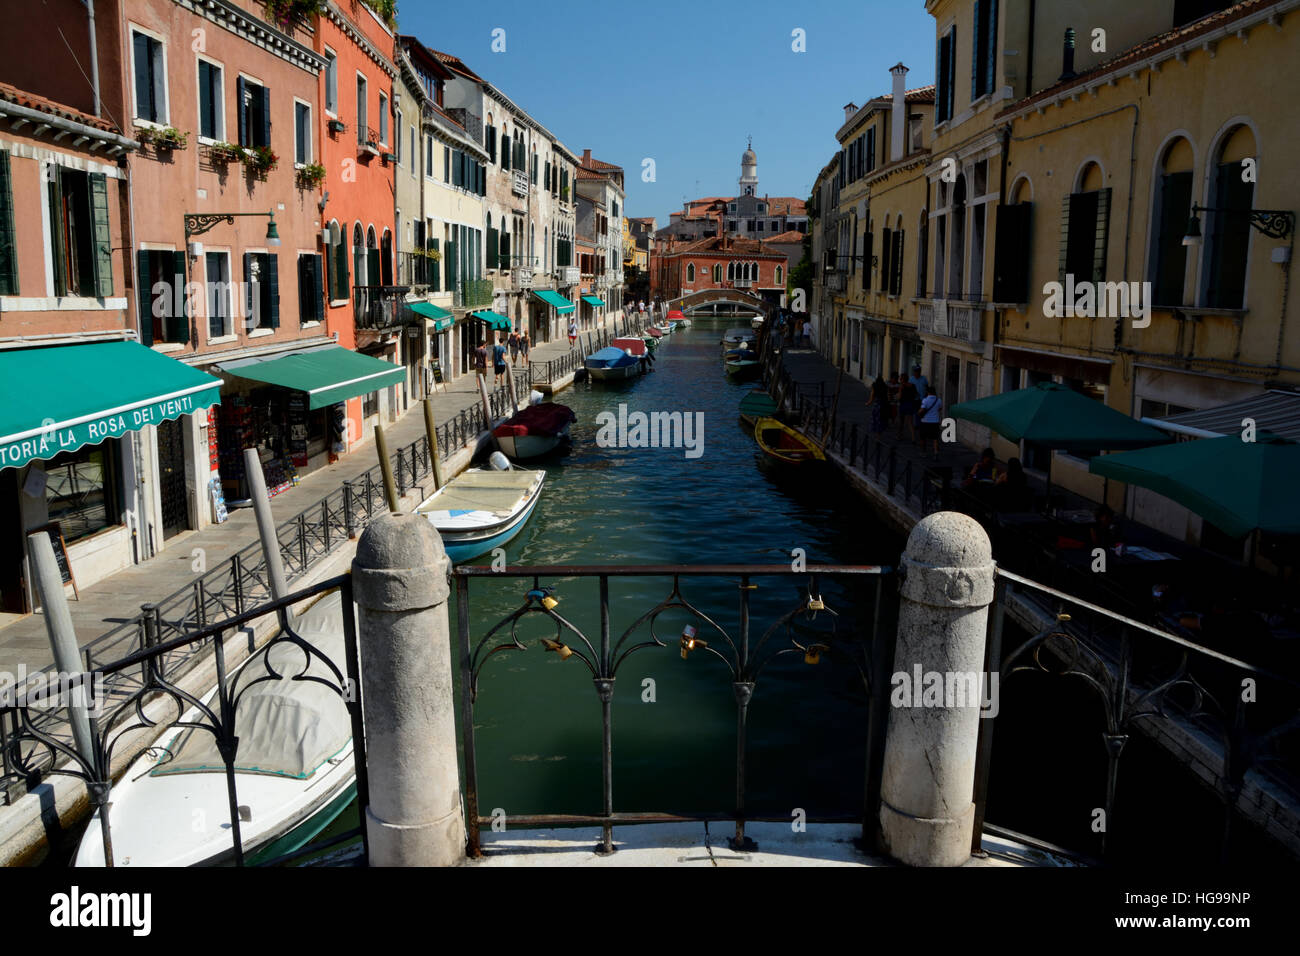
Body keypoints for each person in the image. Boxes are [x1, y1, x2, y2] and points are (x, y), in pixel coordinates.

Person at [918, 385, 942, 458]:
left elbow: (922, 410)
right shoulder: (939, 400)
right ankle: (936, 452)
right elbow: (939, 409)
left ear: (927, 392)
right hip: (935, 422)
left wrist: (918, 413)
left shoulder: (925, 400)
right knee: (935, 438)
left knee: (923, 437)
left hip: (925, 421)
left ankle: (923, 452)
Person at [908, 364, 930, 441]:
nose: (917, 372)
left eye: (919, 371)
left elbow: (927, 388)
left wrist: (927, 398)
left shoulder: (924, 379)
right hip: (914, 400)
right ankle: (917, 426)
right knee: (915, 413)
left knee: (922, 414)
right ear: (914, 372)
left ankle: (920, 426)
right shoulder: (911, 379)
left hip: (922, 400)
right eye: (916, 371)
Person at [896, 372, 918, 441]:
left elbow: (899, 397)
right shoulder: (913, 385)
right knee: (910, 422)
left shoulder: (901, 386)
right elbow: (916, 395)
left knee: (901, 421)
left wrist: (897, 396)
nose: (899, 380)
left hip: (903, 405)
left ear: (903, 379)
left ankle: (899, 436)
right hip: (910, 404)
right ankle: (913, 438)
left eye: (900, 379)